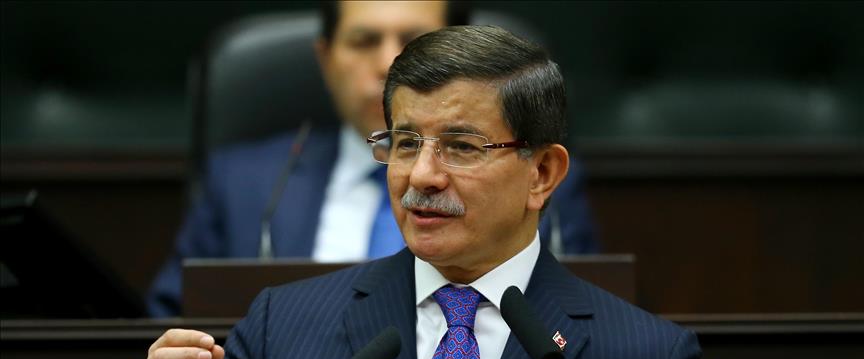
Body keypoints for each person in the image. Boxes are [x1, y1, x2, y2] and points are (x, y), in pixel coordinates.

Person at [124, 26, 752, 359]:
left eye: (461, 146)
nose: (421, 175)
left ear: (542, 173)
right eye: (404, 143)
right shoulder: (280, 331)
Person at [145, 1, 598, 318]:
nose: (389, 62)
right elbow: (172, 325)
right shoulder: (245, 182)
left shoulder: (523, 173)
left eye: (414, 40)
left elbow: (584, 315)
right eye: (364, 41)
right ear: (326, 59)